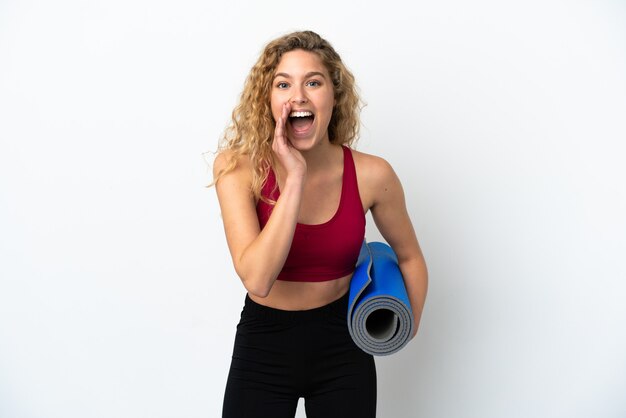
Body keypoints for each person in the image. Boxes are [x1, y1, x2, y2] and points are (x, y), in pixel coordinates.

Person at [212, 30, 428, 418]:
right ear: (268, 99)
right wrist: (294, 178)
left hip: (342, 342)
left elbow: (410, 256)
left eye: (313, 82)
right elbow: (258, 279)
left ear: (334, 95)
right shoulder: (238, 169)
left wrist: (403, 327)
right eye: (283, 84)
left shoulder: (371, 174)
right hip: (264, 343)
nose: (298, 96)